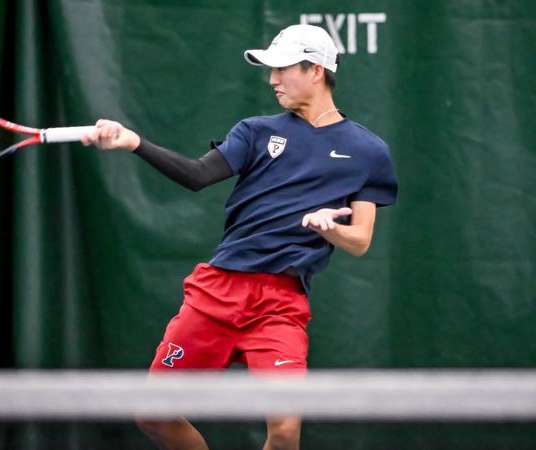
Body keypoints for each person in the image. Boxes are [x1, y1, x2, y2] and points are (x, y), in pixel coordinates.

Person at [82, 23, 397, 450]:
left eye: (283, 69)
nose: (272, 80)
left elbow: (359, 239)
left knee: (285, 433)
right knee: (153, 413)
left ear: (316, 69)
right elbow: (196, 175)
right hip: (218, 291)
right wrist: (134, 141)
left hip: (280, 305)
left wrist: (330, 228)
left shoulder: (368, 152)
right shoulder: (255, 131)